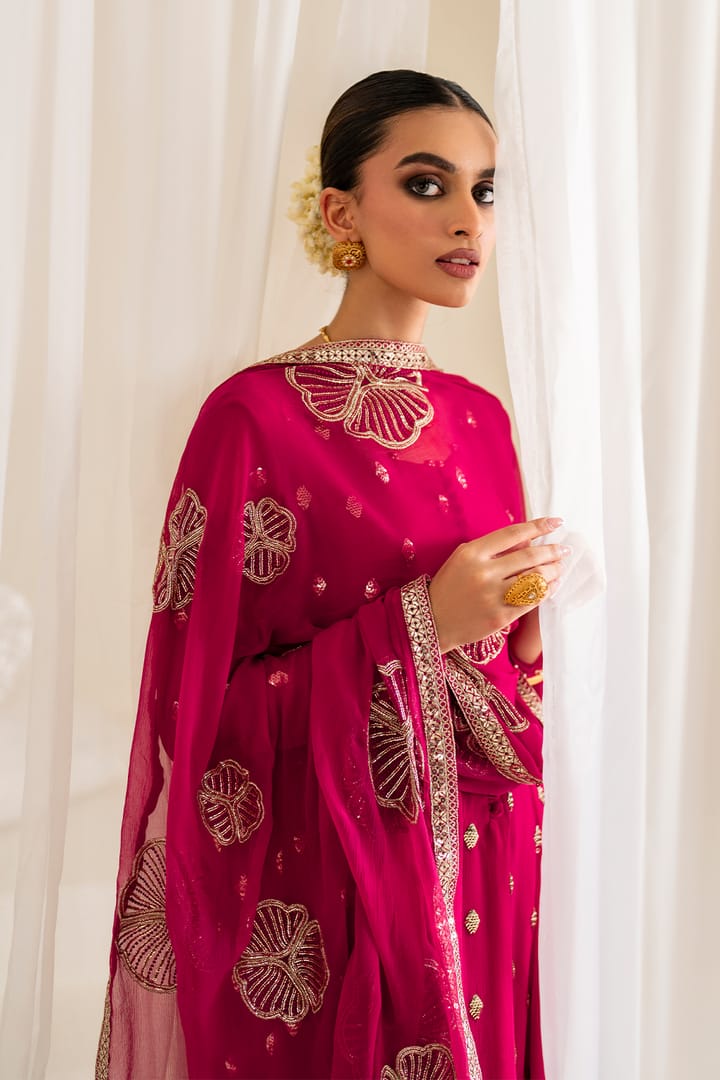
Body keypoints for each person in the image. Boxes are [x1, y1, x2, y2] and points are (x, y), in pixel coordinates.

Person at [96, 69, 567, 1080]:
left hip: (487, 864)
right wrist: (421, 626)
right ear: (341, 211)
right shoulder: (251, 418)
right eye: (429, 183)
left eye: (485, 190)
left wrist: (529, 643)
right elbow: (197, 719)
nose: (468, 219)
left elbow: (510, 680)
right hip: (339, 897)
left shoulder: (489, 421)